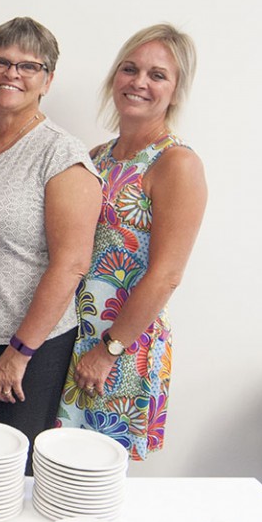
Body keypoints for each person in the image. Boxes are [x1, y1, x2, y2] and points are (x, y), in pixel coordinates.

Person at [0, 17, 101, 462]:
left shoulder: (60, 154)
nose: (12, 74)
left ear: (47, 81)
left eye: (29, 66)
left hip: (24, 349)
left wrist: (19, 352)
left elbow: (71, 264)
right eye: (1, 61)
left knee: (5, 474)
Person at [57, 25, 207, 458]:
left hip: (121, 345)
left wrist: (109, 349)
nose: (139, 82)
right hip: (76, 338)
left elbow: (166, 275)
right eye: (130, 69)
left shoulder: (176, 163)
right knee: (55, 472)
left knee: (94, 478)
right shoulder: (99, 155)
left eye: (157, 75)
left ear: (176, 91)